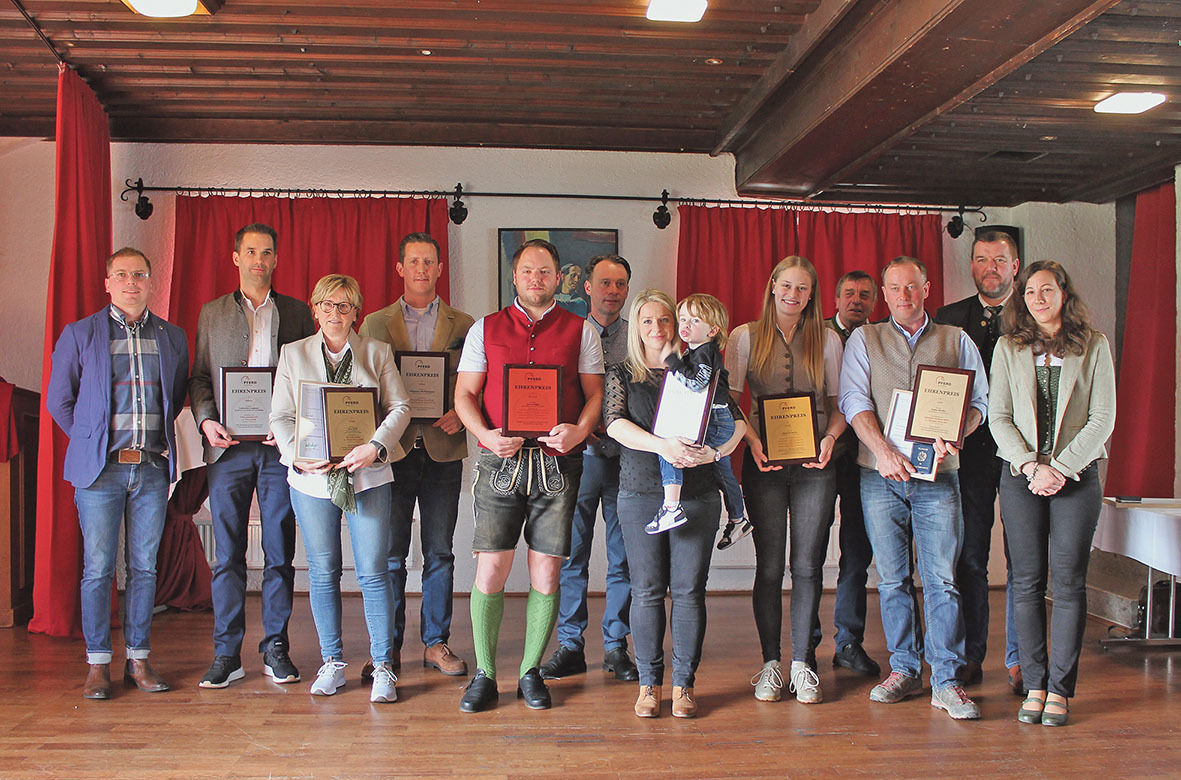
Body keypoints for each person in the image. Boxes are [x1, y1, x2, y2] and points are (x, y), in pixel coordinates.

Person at [453, 238, 604, 713]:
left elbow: (595, 395)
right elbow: (464, 397)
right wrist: (485, 435)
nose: (536, 279)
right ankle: (484, 673)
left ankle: (530, 671)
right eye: (527, 271)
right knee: (491, 569)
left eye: (544, 272)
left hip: (558, 464)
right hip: (501, 461)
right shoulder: (486, 328)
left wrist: (580, 430)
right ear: (515, 277)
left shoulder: (583, 331)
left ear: (559, 278)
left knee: (547, 571)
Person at [837, 256, 989, 720]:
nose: (904, 295)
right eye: (895, 288)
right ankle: (904, 669)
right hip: (878, 476)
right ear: (885, 294)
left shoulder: (956, 339)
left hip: (938, 479)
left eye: (913, 287)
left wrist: (958, 431)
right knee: (891, 580)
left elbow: (979, 401)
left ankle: (946, 680)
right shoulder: (865, 339)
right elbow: (853, 401)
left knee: (942, 579)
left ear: (927, 289)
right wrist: (882, 450)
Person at [46, 247, 189, 700]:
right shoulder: (81, 333)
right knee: (98, 568)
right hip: (99, 473)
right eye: (122, 275)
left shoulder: (172, 337)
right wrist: (89, 441)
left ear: (151, 282)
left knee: (144, 567)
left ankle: (139, 659)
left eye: (140, 275)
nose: (131, 282)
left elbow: (177, 394)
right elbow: (58, 400)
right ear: (107, 282)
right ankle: (98, 664)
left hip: (150, 468)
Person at [270, 274, 411, 703]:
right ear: (315, 310)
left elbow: (401, 406)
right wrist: (297, 453)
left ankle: (383, 665)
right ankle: (332, 662)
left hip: (367, 476)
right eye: (328, 306)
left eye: (345, 306)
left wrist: (375, 446)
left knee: (373, 572)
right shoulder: (292, 355)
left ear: (357, 313)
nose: (336, 314)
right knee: (323, 572)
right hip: (312, 479)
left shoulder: (376, 352)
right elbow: (280, 417)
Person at [604, 290, 746, 718]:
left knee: (688, 592)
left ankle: (683, 685)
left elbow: (738, 423)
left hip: (699, 494)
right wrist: (662, 445)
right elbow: (614, 426)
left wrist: (718, 453)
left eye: (664, 319)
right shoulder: (622, 373)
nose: (657, 328)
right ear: (636, 326)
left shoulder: (695, 370)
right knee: (645, 591)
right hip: (639, 493)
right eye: (646, 321)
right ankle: (649, 685)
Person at [989, 260, 1115, 727]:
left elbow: (1103, 419)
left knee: (1068, 584)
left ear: (1064, 293)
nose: (1038, 299)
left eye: (1047, 290)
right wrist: (1028, 465)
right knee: (1025, 582)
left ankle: (1060, 689)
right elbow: (998, 416)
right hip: (1021, 476)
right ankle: (1035, 685)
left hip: (1075, 479)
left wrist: (1058, 469)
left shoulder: (1094, 346)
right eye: (1029, 292)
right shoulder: (1007, 347)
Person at [189, 223, 315, 689]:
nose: (259, 259)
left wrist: (289, 425)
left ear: (276, 259)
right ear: (236, 257)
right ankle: (227, 653)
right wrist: (206, 420)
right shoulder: (212, 313)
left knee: (280, 551)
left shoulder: (299, 314)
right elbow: (200, 377)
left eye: (267, 252)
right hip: (227, 451)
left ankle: (275, 646)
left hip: (278, 451)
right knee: (228, 555)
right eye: (250, 251)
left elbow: (310, 381)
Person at [725, 256, 846, 704]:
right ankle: (771, 663)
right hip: (764, 464)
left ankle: (803, 663)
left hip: (816, 464)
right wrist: (753, 442)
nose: (794, 295)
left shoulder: (829, 340)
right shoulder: (743, 336)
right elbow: (730, 402)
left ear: (812, 294)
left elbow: (841, 404)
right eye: (787, 286)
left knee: (809, 565)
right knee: (770, 567)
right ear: (772, 286)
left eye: (803, 289)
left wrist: (831, 438)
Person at [357, 232, 473, 681]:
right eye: (414, 262)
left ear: (440, 269)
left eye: (430, 262)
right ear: (399, 268)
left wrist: (461, 416)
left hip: (443, 450)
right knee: (389, 556)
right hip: (394, 453)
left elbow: (478, 383)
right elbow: (364, 388)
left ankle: (435, 643)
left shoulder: (465, 324)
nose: (422, 269)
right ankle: (385, 648)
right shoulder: (374, 323)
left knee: (440, 552)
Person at [541, 254, 638, 682]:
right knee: (572, 556)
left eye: (620, 284)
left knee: (623, 558)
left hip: (628, 463)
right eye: (605, 283)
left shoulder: (640, 338)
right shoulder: (570, 334)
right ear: (587, 289)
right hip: (575, 461)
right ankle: (570, 645)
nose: (612, 291)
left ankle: (616, 646)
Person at [935, 229, 1023, 694]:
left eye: (1000, 260)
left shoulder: (1033, 314)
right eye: (982, 259)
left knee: (1021, 559)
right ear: (971, 266)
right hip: (964, 453)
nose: (991, 267)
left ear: (1015, 265)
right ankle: (971, 655)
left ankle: (1021, 658)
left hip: (1020, 456)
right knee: (970, 557)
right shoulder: (948, 318)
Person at [649, 293, 745, 537]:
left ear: (713, 329)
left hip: (712, 419)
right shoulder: (698, 351)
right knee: (722, 469)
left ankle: (671, 506)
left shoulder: (704, 352)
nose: (686, 326)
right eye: (683, 320)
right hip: (719, 417)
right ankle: (738, 517)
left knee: (671, 448)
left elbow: (697, 384)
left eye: (695, 321)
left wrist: (672, 362)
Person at [824, 270, 882, 678]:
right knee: (807, 555)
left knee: (857, 554)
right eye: (849, 293)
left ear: (874, 300)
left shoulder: (882, 339)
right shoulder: (815, 333)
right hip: (821, 455)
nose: (856, 300)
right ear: (836, 297)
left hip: (865, 458)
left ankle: (848, 641)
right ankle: (803, 648)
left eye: (864, 294)